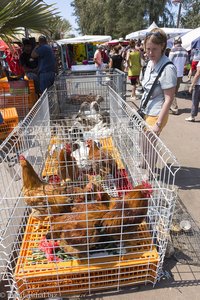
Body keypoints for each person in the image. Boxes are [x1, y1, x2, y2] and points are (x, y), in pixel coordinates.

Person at [141, 28, 177, 135]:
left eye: (154, 49)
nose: (150, 53)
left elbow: (169, 99)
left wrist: (158, 124)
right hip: (146, 109)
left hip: (156, 113)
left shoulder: (167, 68)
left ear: (162, 46)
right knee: (144, 146)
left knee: (147, 147)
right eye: (148, 49)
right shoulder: (150, 63)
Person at [169, 37, 188, 115]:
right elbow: (186, 64)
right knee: (175, 92)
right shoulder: (185, 52)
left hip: (173, 73)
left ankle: (174, 108)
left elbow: (169, 62)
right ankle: (170, 106)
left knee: (171, 91)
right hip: (180, 74)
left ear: (174, 42)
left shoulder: (173, 51)